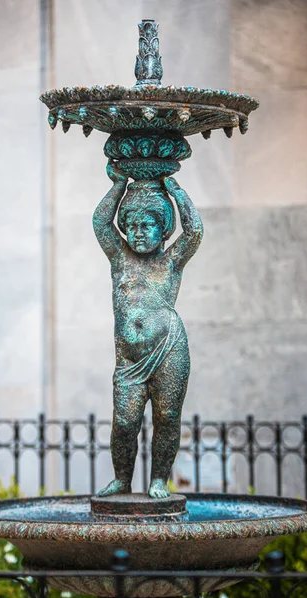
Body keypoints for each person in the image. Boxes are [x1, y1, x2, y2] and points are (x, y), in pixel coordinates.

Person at [92, 161, 203, 498]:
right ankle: (123, 479)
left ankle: (158, 479)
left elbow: (195, 232)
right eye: (132, 225)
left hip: (169, 348)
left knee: (167, 417)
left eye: (148, 225)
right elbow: (100, 223)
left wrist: (177, 193)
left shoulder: (170, 262)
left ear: (163, 230)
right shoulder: (119, 257)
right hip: (129, 360)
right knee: (125, 422)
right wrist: (117, 187)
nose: (138, 232)